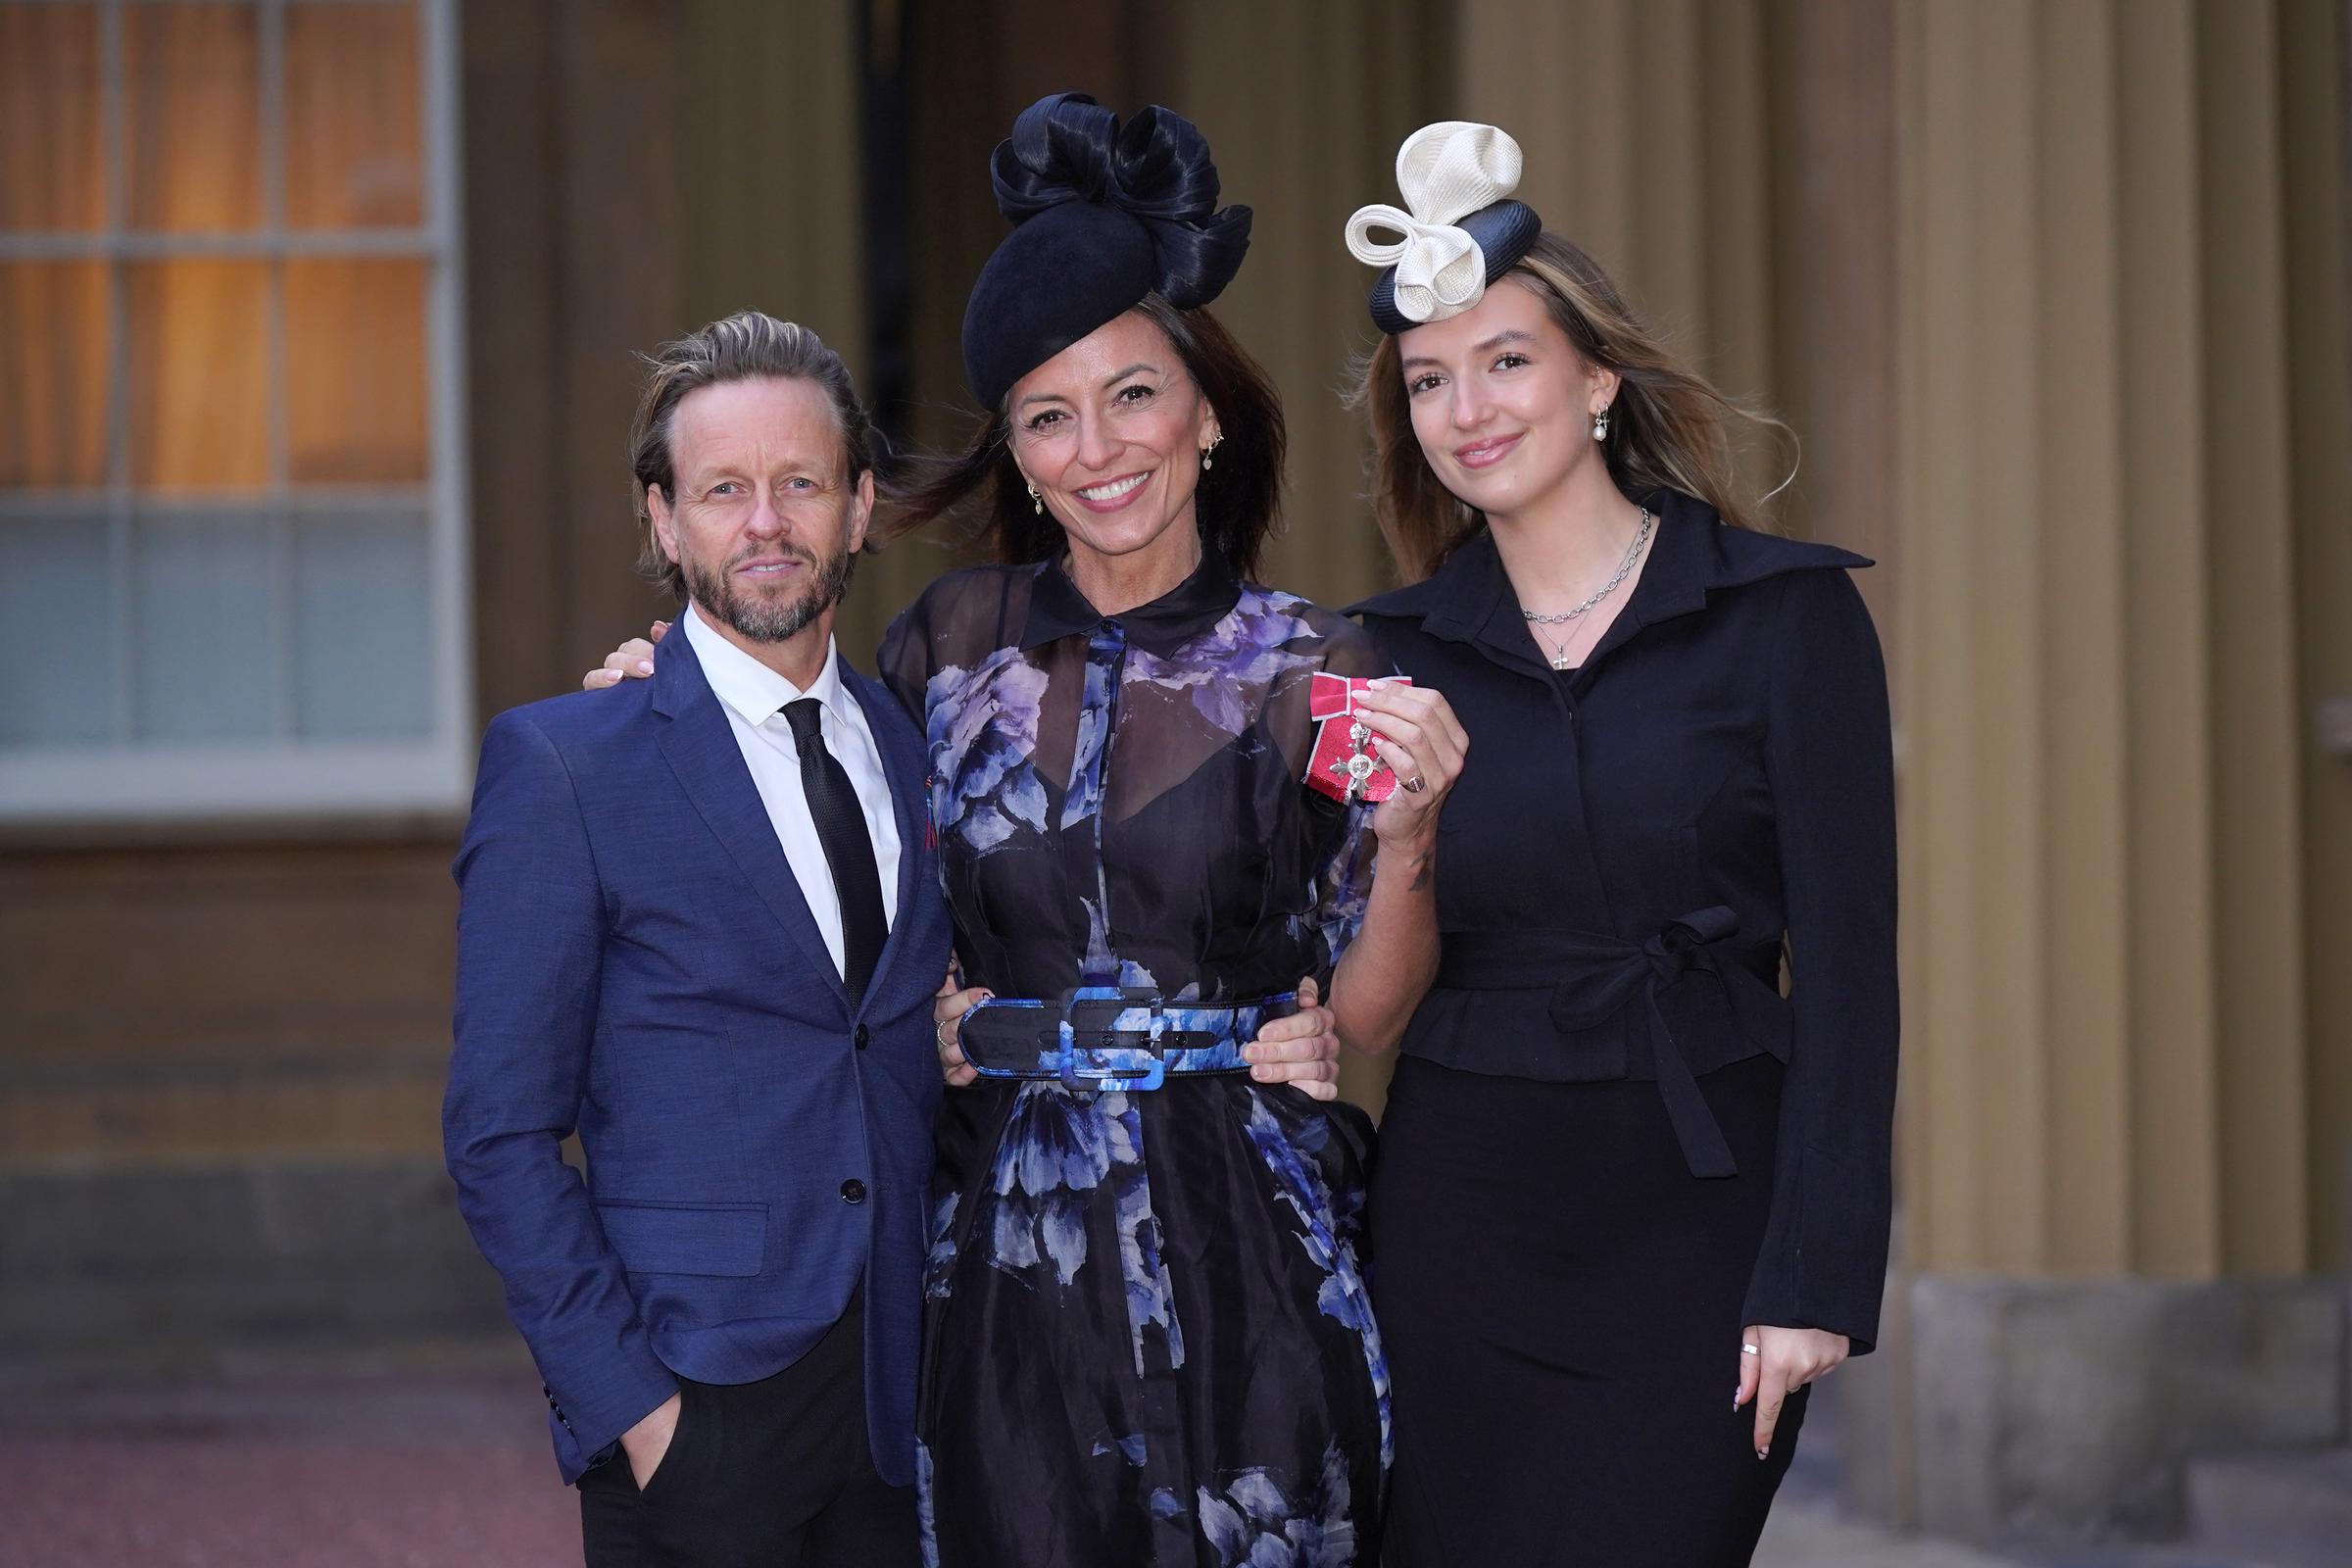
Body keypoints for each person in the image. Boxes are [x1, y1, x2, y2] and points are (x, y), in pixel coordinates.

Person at [589, 93, 1464, 1567]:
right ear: (1018, 452)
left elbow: (1367, 1011)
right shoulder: (949, 648)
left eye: (1132, 395)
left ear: (1205, 411)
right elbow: (818, 845)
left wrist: (1415, 842)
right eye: (1048, 416)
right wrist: (662, 684)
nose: (1096, 447)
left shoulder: (1324, 665)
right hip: (995, 1249)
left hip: (1246, 1236)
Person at [1338, 122, 1899, 1566]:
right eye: (1429, 379)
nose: (1468, 407)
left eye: (1507, 361)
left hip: (1701, 1226)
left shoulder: (1788, 620)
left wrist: (1817, 1273)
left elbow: (1850, 972)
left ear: (1596, 378)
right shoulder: (1384, 657)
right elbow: (1333, 961)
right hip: (1459, 1227)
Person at [444, 313, 952, 1566]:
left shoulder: (914, 740)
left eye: (800, 484)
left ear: (859, 506)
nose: (766, 521)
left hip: (909, 1404)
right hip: (698, 1413)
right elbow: (498, 1132)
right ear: (665, 520)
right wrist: (634, 1409)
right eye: (725, 489)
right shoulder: (566, 762)